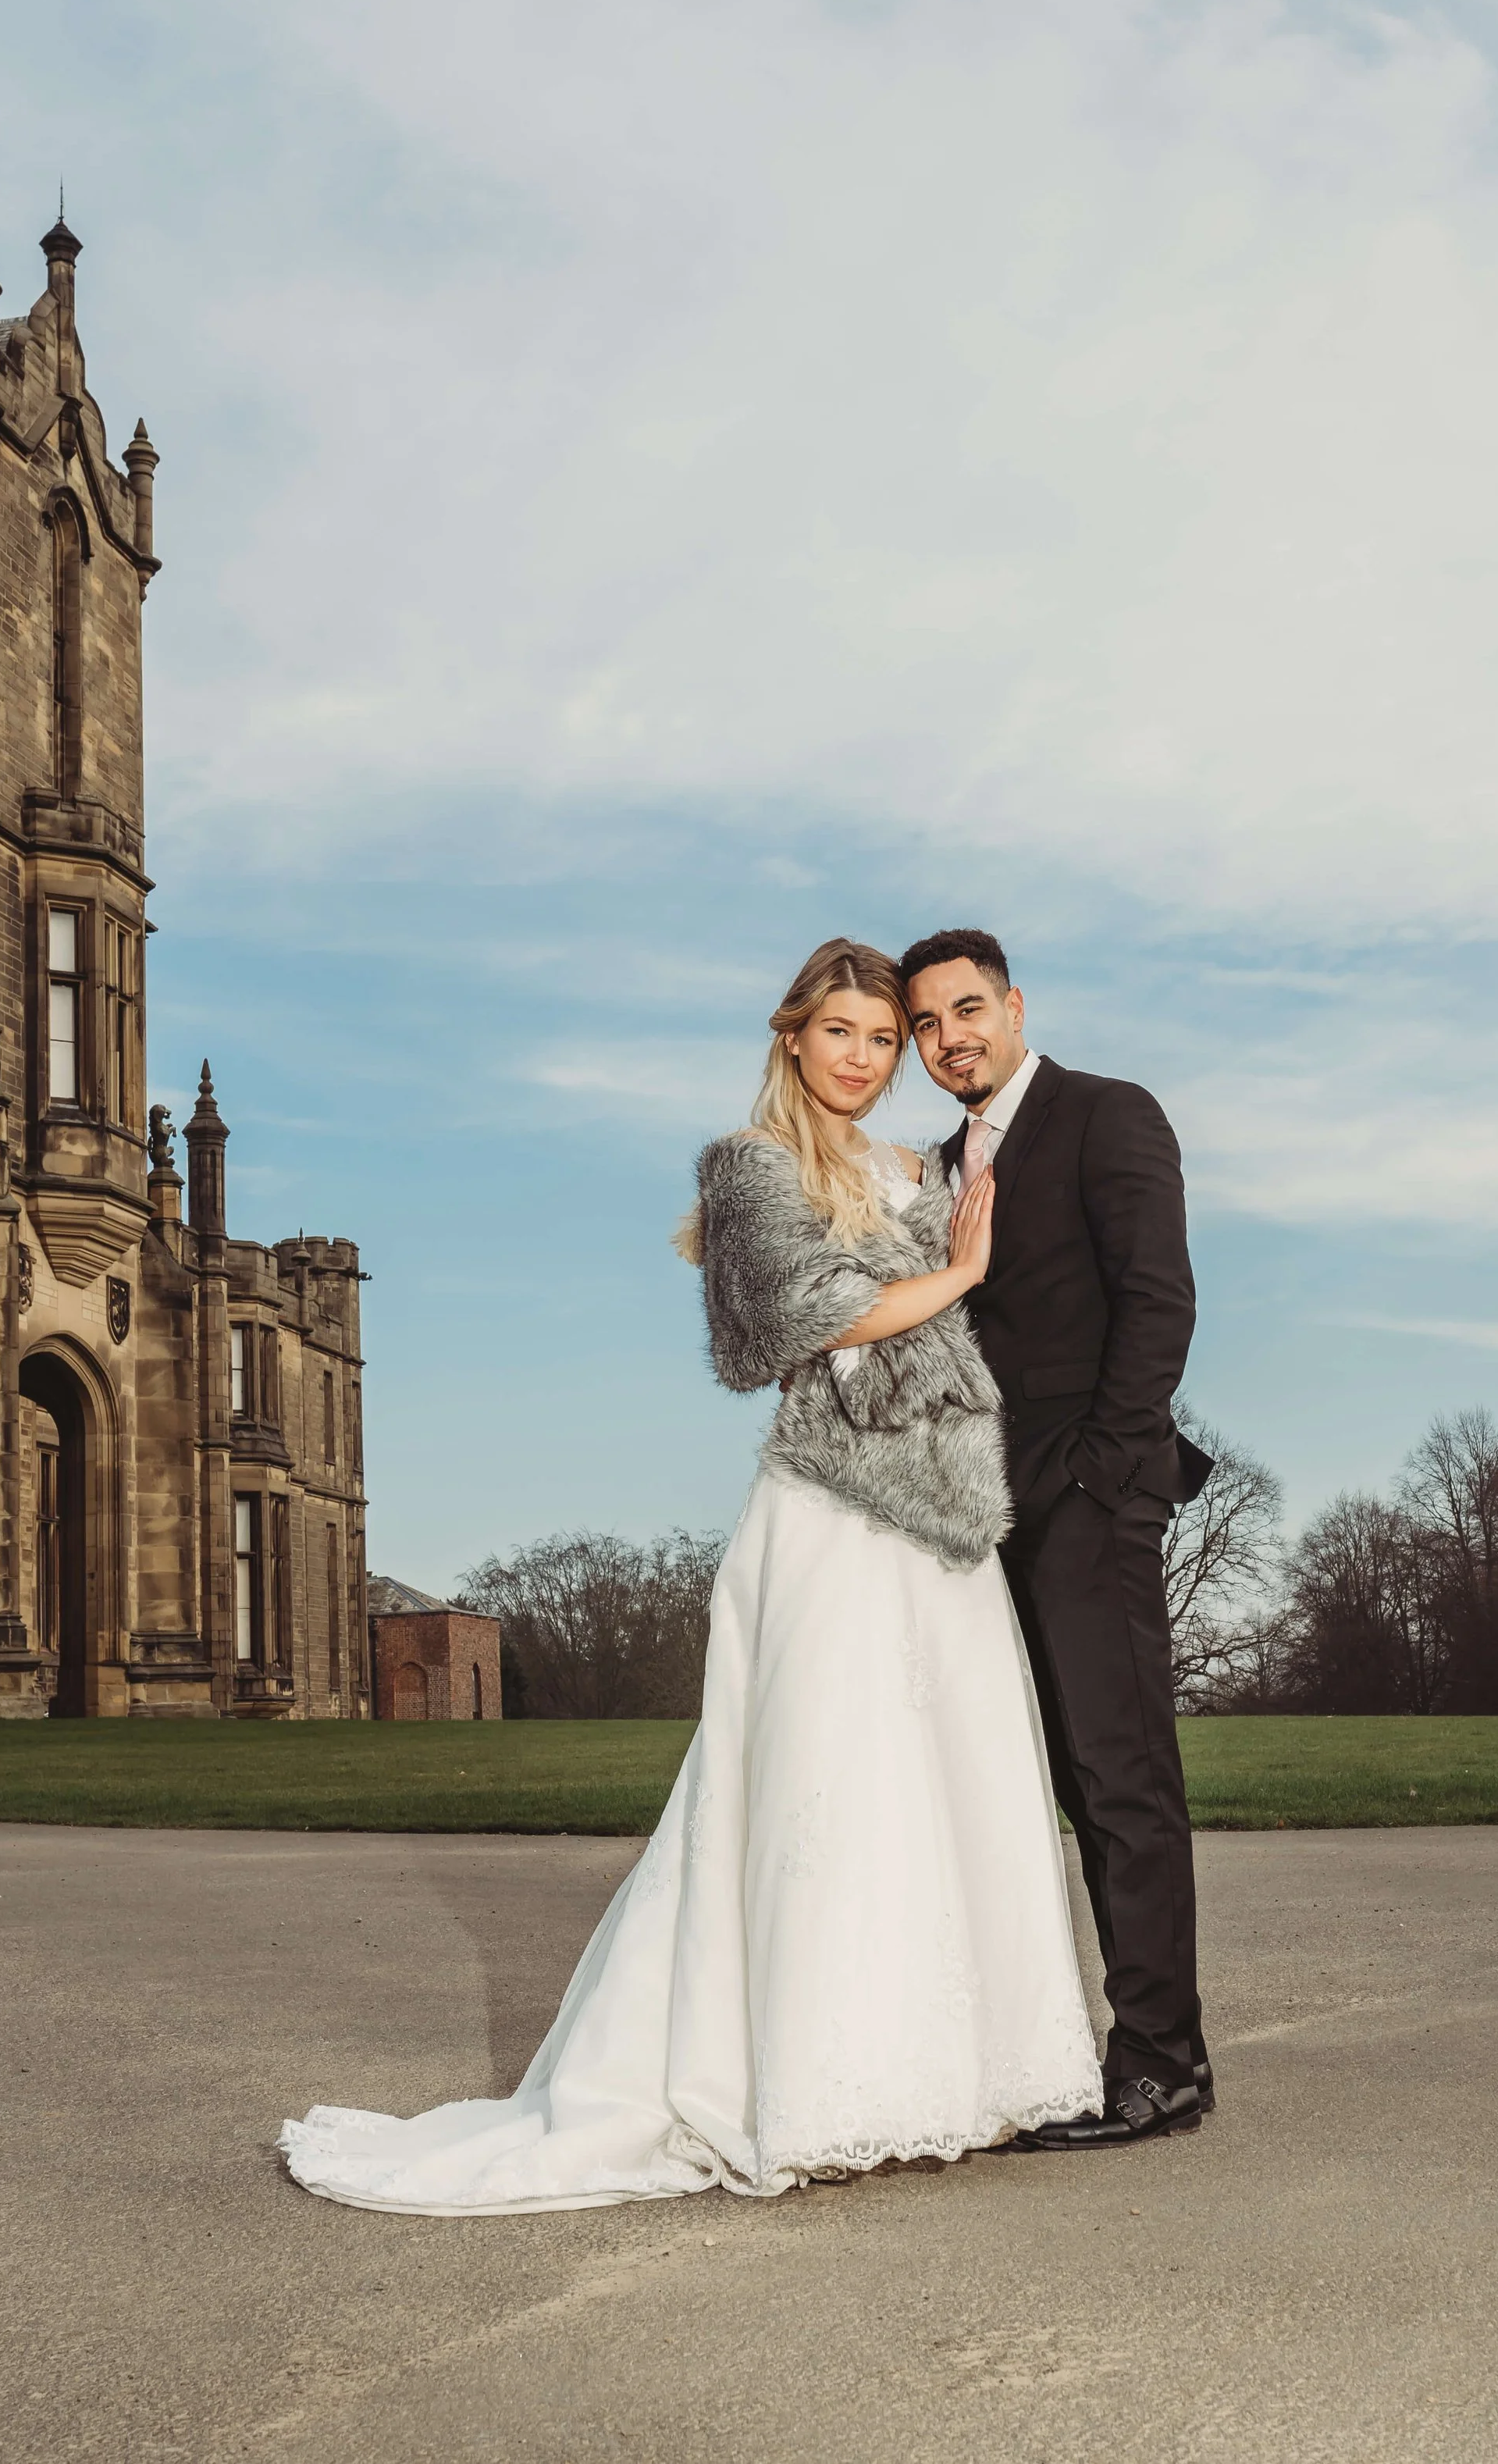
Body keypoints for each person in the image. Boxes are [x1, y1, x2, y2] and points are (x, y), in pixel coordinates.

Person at [278, 938, 1100, 2215]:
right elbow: (797, 1318)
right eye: (843, 1033)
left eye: (886, 1040)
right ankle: (814, 2083)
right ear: (791, 1037)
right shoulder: (749, 1165)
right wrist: (961, 1274)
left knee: (952, 1778)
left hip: (939, 1515)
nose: (866, 1059)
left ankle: (962, 2074)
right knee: (821, 1783)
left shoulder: (913, 1166)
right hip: (831, 1510)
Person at [900, 928, 1214, 2148]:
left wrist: (1104, 1476)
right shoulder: (936, 1167)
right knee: (1056, 1788)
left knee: (1125, 1780)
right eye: (926, 1025)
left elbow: (1158, 1296)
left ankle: (1163, 2066)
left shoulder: (1106, 1114)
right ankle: (1085, 2050)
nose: (948, 1040)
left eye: (966, 1010)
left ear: (1016, 1004)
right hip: (982, 1522)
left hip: (1088, 1500)